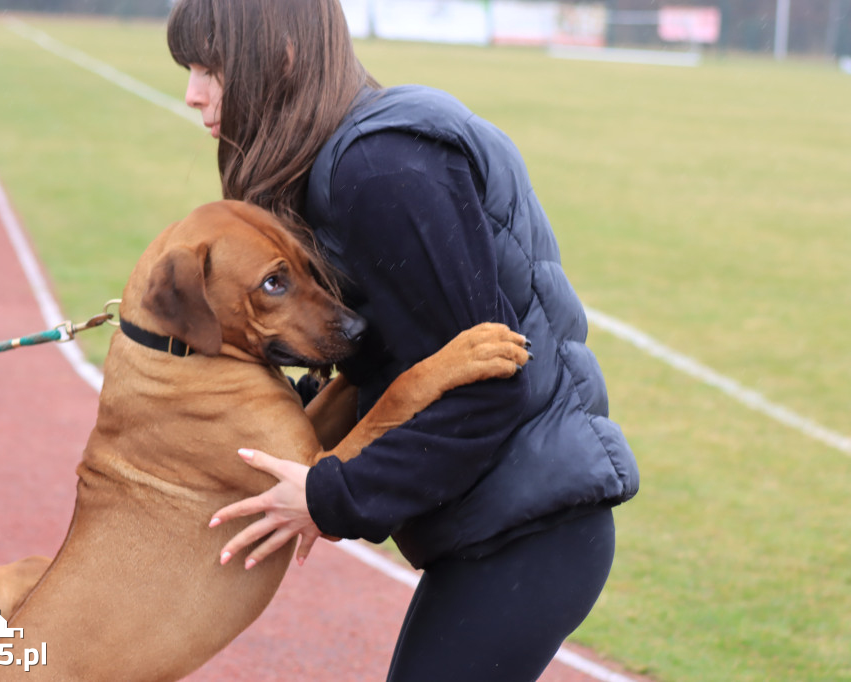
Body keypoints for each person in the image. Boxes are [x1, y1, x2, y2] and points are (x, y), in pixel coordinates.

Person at [167, 0, 638, 679]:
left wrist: (331, 497)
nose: (192, 93)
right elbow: (394, 355)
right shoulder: (347, 156)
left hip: (533, 524)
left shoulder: (380, 167)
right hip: (496, 518)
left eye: (210, 68)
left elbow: (495, 379)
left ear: (283, 57)